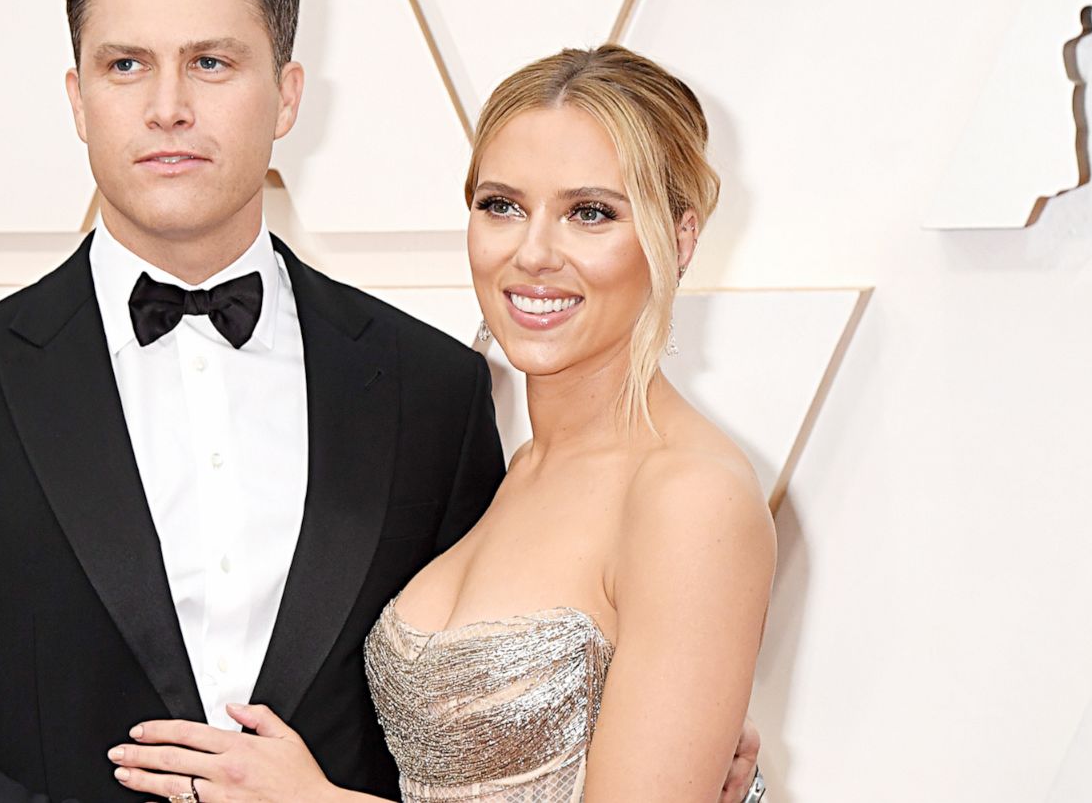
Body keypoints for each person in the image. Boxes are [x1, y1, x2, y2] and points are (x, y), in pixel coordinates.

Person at [0, 0, 762, 799]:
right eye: (126, 65)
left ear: (288, 93)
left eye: (213, 62)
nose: (168, 107)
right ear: (77, 95)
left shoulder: (431, 391)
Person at [107, 46, 775, 802]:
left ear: (680, 238)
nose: (533, 252)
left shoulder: (691, 496)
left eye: (590, 213)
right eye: (502, 206)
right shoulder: (513, 467)